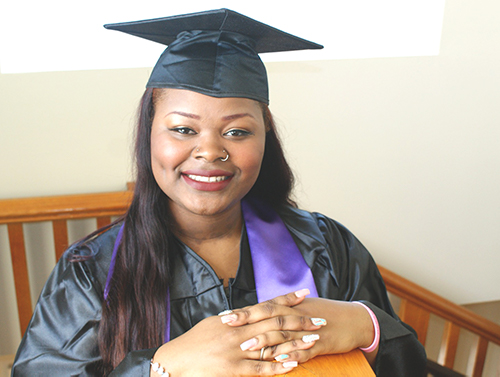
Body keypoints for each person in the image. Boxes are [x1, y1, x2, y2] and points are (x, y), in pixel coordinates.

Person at [11, 9, 426, 377]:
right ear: (149, 136)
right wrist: (161, 369)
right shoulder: (91, 275)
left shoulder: (327, 247)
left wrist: (366, 326)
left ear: (266, 138)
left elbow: (405, 364)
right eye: (183, 129)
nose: (209, 151)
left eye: (237, 131)